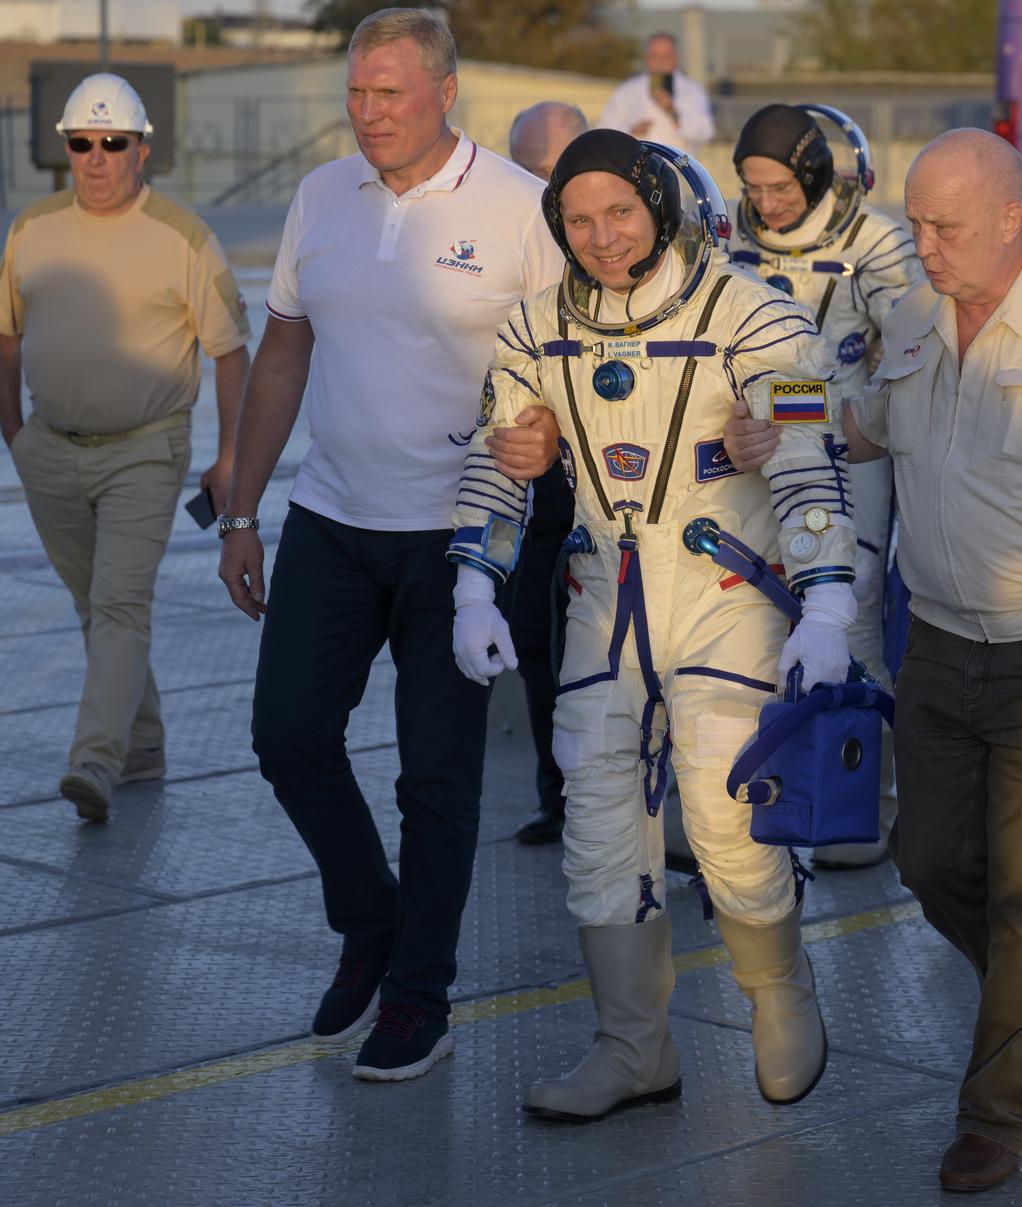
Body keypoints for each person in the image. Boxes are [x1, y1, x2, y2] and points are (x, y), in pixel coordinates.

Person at [729, 127, 1022, 1191]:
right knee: (927, 861)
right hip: (932, 645)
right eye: (915, 223)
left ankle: (993, 1114)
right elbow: (867, 422)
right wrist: (776, 423)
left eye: (945, 227)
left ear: (1012, 221)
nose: (921, 246)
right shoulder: (917, 313)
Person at [450, 129, 858, 1122]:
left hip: (726, 595)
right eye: (579, 219)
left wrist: (831, 598)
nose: (601, 236)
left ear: (660, 206)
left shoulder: (758, 316)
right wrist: (472, 584)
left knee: (724, 813)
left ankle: (778, 991)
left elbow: (807, 459)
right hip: (605, 593)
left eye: (619, 213)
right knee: (595, 819)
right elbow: (498, 454)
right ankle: (632, 1046)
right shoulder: (530, 327)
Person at [216, 8, 560, 1083]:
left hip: (464, 537)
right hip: (331, 517)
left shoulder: (519, 208)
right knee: (287, 736)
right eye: (356, 93)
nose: (367, 113)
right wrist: (240, 507)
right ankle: (370, 920)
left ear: (444, 89)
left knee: (437, 780)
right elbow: (283, 350)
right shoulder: (321, 198)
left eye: (389, 94)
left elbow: (564, 367)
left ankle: (418, 996)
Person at [0, 72, 251, 822]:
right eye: (82, 143)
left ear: (143, 149)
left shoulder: (183, 236)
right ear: (65, 151)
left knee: (117, 601)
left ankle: (95, 761)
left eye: (114, 143)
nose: (97, 157)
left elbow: (231, 353)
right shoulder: (29, 229)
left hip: (147, 447)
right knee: (94, 603)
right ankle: (142, 743)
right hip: (48, 446)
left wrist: (231, 455)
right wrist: (14, 434)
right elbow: (7, 335)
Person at [726, 102, 923, 870]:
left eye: (779, 186)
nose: (767, 203)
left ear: (813, 172)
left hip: (846, 450)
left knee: (856, 614)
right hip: (749, 451)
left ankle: (868, 802)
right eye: (752, 185)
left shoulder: (874, 242)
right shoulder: (728, 236)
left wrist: (792, 407)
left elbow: (912, 348)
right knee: (751, 620)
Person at [504, 101, 589, 845]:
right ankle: (559, 792)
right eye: (533, 175)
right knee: (533, 634)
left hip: (649, 508)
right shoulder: (506, 274)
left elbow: (797, 390)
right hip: (545, 496)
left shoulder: (668, 263)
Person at [597, 32, 714, 156]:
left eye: (665, 57)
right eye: (655, 56)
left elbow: (705, 133)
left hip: (678, 169)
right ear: (646, 58)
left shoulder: (692, 92)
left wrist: (673, 112)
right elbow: (605, 131)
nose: (660, 62)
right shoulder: (627, 91)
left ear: (675, 58)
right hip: (636, 170)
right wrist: (631, 131)